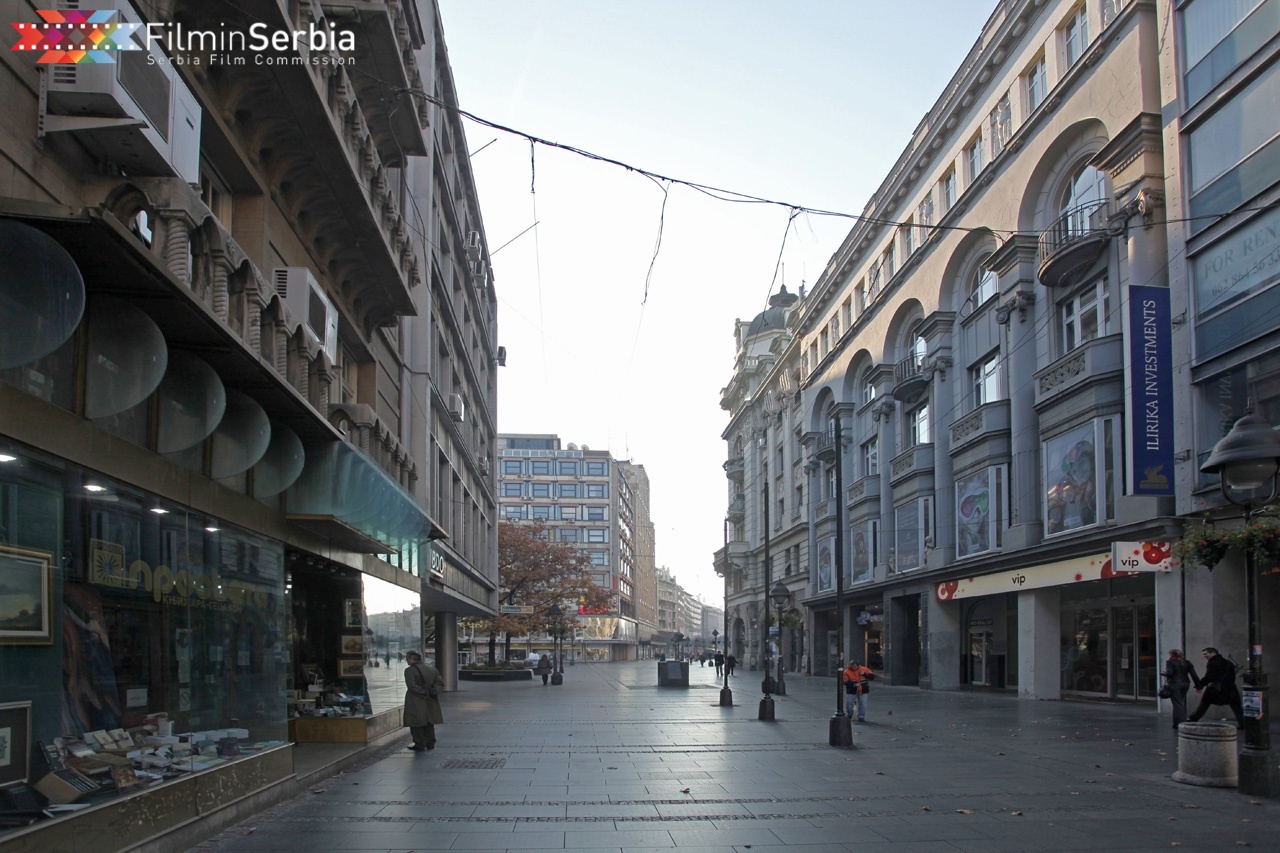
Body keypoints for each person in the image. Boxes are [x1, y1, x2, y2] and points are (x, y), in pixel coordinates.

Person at [1188, 647, 1245, 728]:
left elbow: (1209, 676)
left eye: (1205, 654)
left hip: (1215, 688)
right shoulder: (1229, 663)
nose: (1204, 656)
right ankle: (1243, 723)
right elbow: (1232, 676)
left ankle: (1192, 719)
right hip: (1230, 688)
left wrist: (1199, 686)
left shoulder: (1212, 663)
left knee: (1204, 704)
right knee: (1236, 706)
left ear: (1213, 653)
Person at [403, 650, 444, 751]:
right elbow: (440, 683)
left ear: (411, 659)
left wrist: (423, 692)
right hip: (431, 700)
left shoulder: (409, 670)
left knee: (416, 722)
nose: (406, 660)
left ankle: (419, 743)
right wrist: (433, 692)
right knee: (429, 721)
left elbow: (411, 686)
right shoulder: (432, 669)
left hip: (415, 699)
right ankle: (430, 742)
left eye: (407, 658)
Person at [1162, 648, 1197, 730]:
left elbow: (1170, 673)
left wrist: (1164, 674)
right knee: (1179, 702)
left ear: (1171, 654)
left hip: (1175, 684)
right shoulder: (1187, 662)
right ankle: (1176, 723)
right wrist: (1198, 685)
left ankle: (1181, 722)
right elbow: (1194, 675)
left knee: (1177, 704)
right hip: (1186, 683)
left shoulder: (1170, 662)